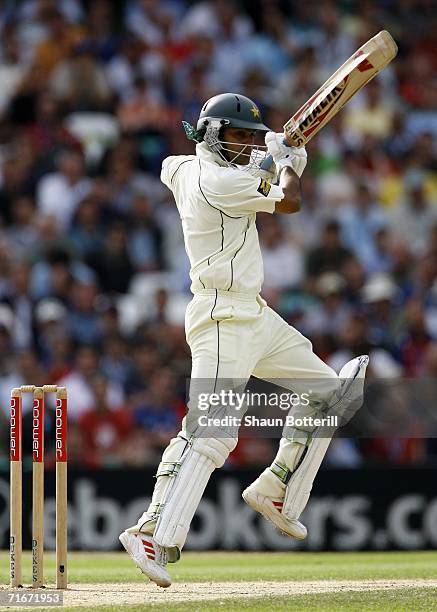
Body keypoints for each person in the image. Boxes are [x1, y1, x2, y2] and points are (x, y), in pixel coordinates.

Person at [119, 93, 368, 587]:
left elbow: (175, 163)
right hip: (220, 318)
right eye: (238, 135)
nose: (246, 145)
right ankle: (149, 530)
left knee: (335, 395)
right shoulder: (218, 181)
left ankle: (276, 487)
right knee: (212, 431)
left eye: (251, 136)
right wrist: (289, 162)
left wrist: (261, 153)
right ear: (212, 135)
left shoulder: (185, 168)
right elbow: (290, 199)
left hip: (254, 313)